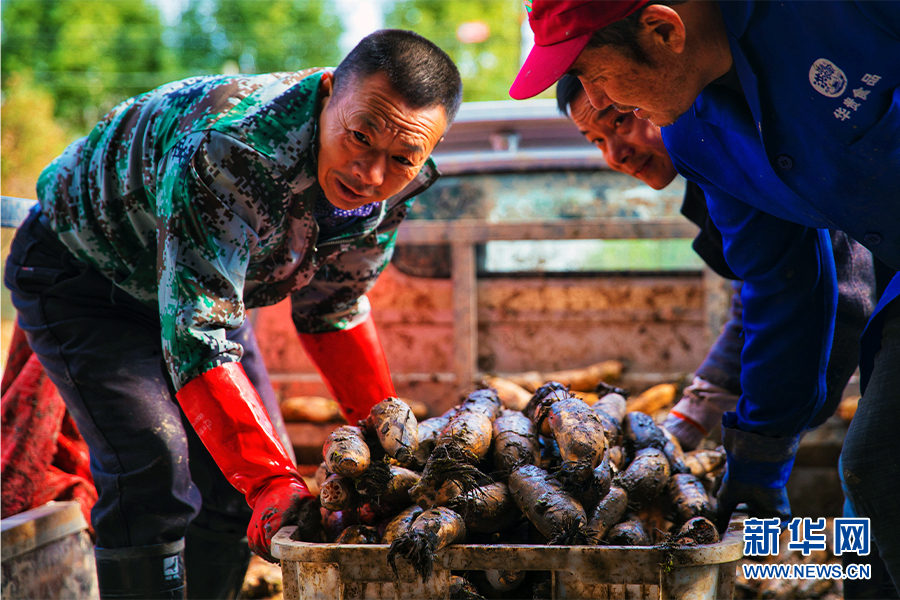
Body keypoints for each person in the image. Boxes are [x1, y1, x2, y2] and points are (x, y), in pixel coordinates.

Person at [4, 29, 461, 599]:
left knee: (233, 485)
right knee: (155, 466)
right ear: (327, 94)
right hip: (89, 281)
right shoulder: (232, 148)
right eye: (359, 137)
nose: (370, 174)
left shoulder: (392, 187)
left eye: (400, 158)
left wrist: (389, 454)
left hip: (208, 292)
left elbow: (334, 311)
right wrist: (269, 478)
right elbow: (198, 336)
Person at [511, 0, 900, 590]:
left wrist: (723, 416)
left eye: (598, 79)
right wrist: (758, 456)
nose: (605, 104)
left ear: (663, 31)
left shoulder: (830, 14)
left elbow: (843, 284)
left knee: (876, 466)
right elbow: (781, 286)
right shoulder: (696, 137)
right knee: (866, 511)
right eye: (595, 133)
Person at [554, 74, 876, 451]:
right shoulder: (707, 176)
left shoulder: (737, 147)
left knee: (866, 466)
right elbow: (756, 294)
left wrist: (768, 440)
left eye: (619, 120)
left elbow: (806, 290)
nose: (615, 154)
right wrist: (696, 412)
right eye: (597, 140)